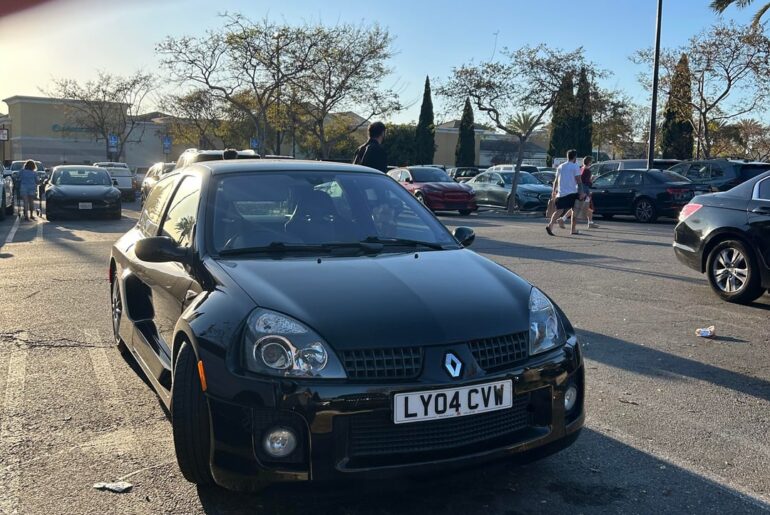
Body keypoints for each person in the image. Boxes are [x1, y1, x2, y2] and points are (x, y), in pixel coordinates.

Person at [546, 150, 582, 236]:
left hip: (561, 193)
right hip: (572, 192)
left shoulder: (561, 166)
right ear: (575, 157)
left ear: (567, 156)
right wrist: (582, 192)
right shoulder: (575, 166)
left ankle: (550, 225)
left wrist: (553, 191)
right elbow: (578, 180)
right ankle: (573, 229)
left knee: (559, 210)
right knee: (574, 211)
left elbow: (555, 180)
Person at [580, 156, 599, 229]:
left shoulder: (581, 169)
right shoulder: (587, 171)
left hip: (581, 189)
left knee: (587, 206)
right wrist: (592, 179)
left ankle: (590, 222)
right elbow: (587, 182)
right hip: (585, 191)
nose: (591, 163)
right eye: (591, 161)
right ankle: (563, 218)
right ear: (589, 162)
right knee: (588, 206)